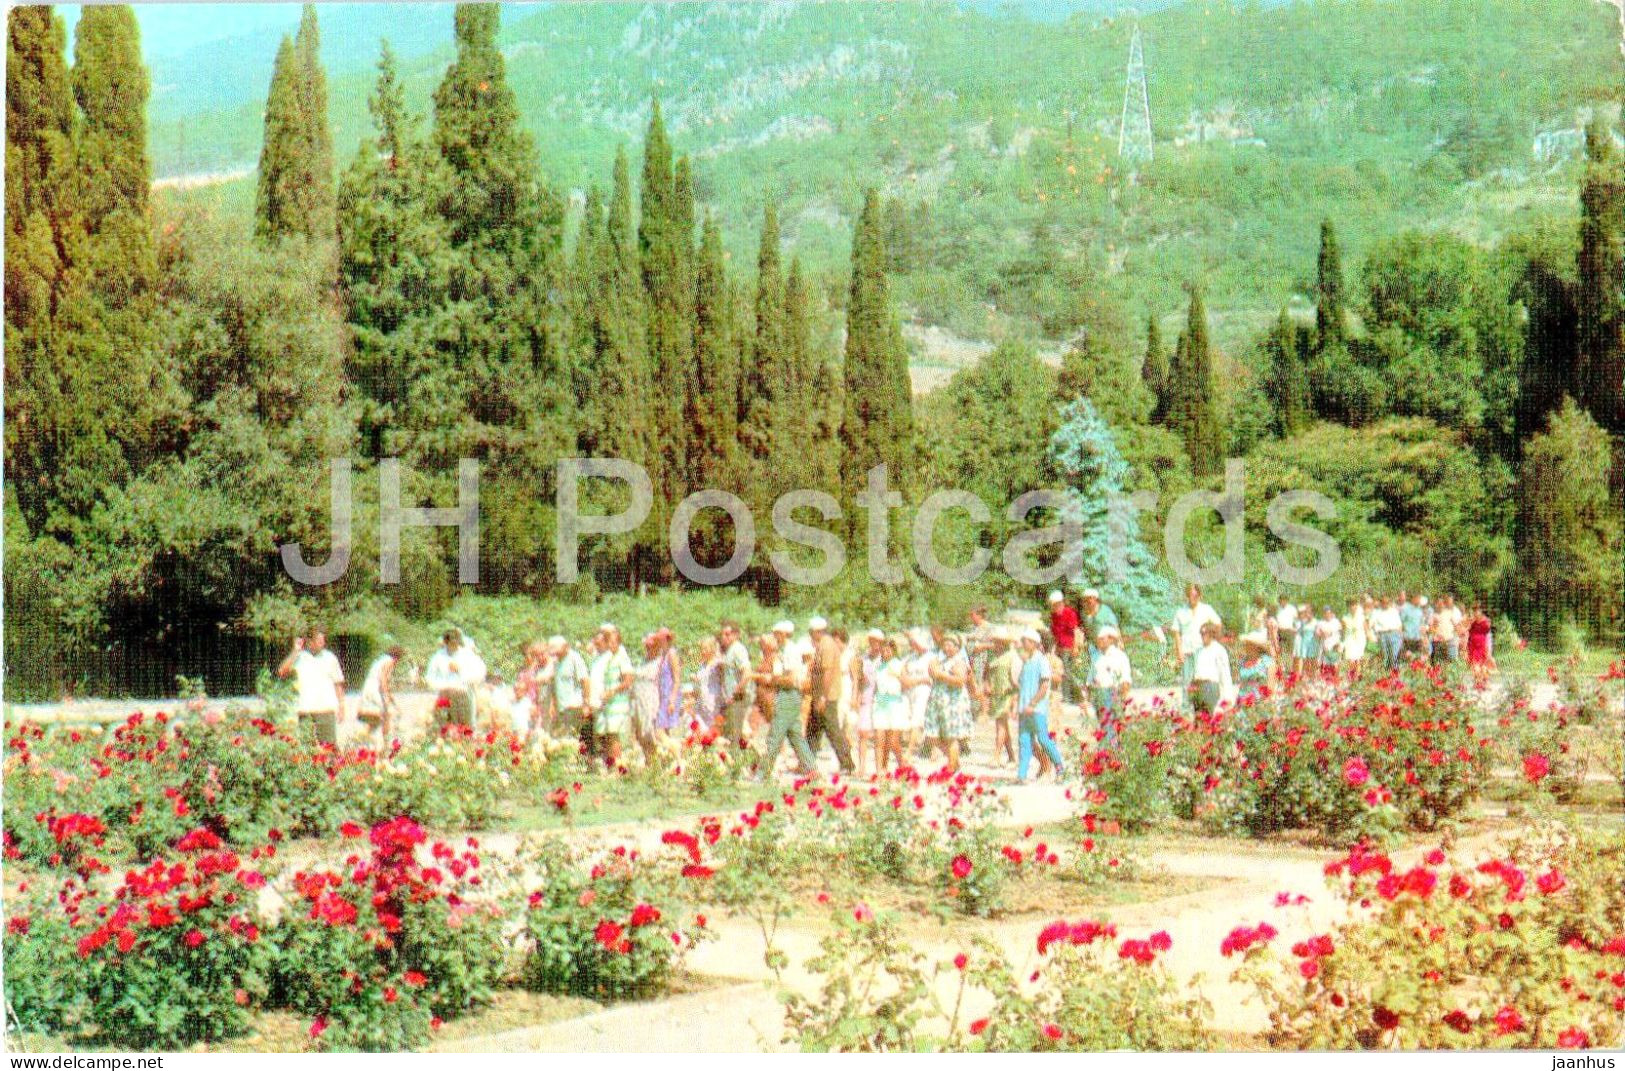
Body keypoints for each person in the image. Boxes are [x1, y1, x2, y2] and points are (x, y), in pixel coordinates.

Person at [753, 632, 817, 780]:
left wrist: (773, 680)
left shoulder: (790, 653)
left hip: (789, 695)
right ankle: (812, 768)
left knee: (775, 735)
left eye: (777, 636)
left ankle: (763, 773)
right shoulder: (783, 654)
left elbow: (791, 680)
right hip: (787, 695)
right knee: (795, 735)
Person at [278, 628, 346, 746]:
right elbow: (282, 672)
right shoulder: (300, 657)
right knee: (307, 749)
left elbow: (338, 683)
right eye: (319, 640)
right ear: (310, 642)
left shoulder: (330, 658)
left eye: (323, 640)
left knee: (328, 748)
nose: (322, 643)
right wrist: (295, 650)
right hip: (306, 710)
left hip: (326, 710)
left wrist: (341, 706)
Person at [805, 617, 856, 775]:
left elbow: (827, 673)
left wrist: (822, 697)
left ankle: (847, 764)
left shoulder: (826, 646)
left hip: (826, 696)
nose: (810, 635)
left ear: (818, 631)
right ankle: (808, 763)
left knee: (833, 730)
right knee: (813, 730)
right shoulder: (824, 645)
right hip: (821, 694)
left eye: (812, 632)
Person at [1015, 630, 1066, 784]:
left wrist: (1033, 703)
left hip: (1036, 709)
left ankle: (1060, 767)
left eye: (1026, 641)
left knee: (1043, 739)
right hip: (1024, 709)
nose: (1023, 644)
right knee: (1024, 741)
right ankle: (1022, 775)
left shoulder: (1041, 661)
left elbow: (1044, 685)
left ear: (1033, 643)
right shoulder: (1027, 662)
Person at [923, 633, 972, 772]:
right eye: (945, 644)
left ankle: (951, 768)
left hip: (953, 703)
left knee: (952, 737)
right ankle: (954, 762)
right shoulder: (940, 660)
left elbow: (960, 681)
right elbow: (932, 671)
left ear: (957, 647)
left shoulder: (960, 661)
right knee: (932, 736)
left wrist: (941, 675)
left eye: (950, 645)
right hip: (938, 702)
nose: (947, 647)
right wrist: (935, 672)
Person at [588, 625, 635, 769]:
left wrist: (613, 690)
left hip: (618, 702)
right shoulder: (610, 657)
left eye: (613, 642)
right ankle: (611, 764)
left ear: (618, 643)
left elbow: (628, 681)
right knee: (607, 733)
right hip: (608, 703)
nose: (610, 645)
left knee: (614, 734)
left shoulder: (622, 657)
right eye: (609, 642)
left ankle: (618, 766)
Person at [1172, 585, 1222, 707]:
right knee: (1187, 686)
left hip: (1204, 654)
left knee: (1203, 682)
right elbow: (1176, 633)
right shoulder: (1180, 612)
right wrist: (1179, 652)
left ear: (1199, 595)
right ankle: (1186, 715)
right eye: (1190, 594)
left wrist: (1212, 640)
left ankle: (1203, 710)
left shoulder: (1207, 609)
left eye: (1195, 595)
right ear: (1187, 595)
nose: (1192, 597)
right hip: (1187, 653)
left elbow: (1218, 625)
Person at [1087, 626, 1132, 749]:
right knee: (1103, 727)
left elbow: (1125, 679)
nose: (1099, 641)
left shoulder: (1120, 656)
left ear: (1111, 639)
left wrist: (1122, 699)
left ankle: (1110, 755)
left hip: (1113, 694)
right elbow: (1090, 678)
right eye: (1098, 639)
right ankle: (1109, 754)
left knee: (1111, 727)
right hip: (1099, 694)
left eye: (1102, 639)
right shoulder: (1096, 657)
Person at [425, 629, 476, 731]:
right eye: (450, 643)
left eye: (455, 643)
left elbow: (476, 674)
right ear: (446, 642)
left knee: (465, 728)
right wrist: (442, 686)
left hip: (463, 695)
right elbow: (430, 677)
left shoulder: (467, 655)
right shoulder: (438, 657)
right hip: (446, 694)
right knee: (445, 726)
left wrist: (460, 670)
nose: (453, 646)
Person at [872, 636, 909, 773]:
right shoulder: (878, 666)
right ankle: (880, 770)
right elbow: (876, 687)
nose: (885, 653)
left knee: (893, 741)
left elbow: (907, 684)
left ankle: (902, 765)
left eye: (888, 650)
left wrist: (897, 676)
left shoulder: (899, 664)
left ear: (893, 650)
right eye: (883, 650)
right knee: (879, 739)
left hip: (894, 704)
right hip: (880, 704)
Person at [357, 644, 405, 742]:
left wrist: (392, 699)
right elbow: (383, 679)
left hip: (368, 687)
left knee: (374, 717)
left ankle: (362, 739)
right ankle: (386, 742)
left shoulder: (381, 660)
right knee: (386, 714)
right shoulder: (389, 661)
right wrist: (386, 696)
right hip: (375, 688)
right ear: (397, 657)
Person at [988, 630, 1021, 767]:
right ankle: (1012, 756)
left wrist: (1015, 697)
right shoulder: (996, 656)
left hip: (1006, 694)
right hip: (996, 694)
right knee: (1003, 725)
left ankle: (996, 756)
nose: (996, 644)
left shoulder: (1012, 657)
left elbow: (1016, 678)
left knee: (1000, 725)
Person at [852, 629, 883, 777]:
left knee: (879, 735)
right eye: (871, 640)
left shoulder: (884, 659)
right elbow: (858, 680)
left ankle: (879, 768)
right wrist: (856, 696)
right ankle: (862, 765)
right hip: (866, 696)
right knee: (863, 733)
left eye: (876, 641)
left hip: (881, 698)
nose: (873, 644)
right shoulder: (863, 659)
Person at [719, 621, 755, 745]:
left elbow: (747, 674)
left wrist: (735, 693)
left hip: (739, 697)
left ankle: (753, 757)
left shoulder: (738, 649)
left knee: (741, 731)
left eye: (727, 634)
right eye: (723, 634)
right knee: (735, 732)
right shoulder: (729, 651)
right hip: (732, 698)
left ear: (736, 635)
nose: (724, 637)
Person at [549, 635, 589, 745]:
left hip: (574, 706)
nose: (556, 654)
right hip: (562, 708)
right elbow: (555, 684)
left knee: (570, 739)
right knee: (562, 739)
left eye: (558, 651)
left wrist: (586, 704)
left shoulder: (574, 658)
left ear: (565, 647)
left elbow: (585, 680)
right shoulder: (556, 662)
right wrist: (553, 705)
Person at [902, 629, 935, 756]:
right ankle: (925, 747)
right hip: (910, 690)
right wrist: (917, 680)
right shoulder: (910, 658)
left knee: (918, 718)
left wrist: (915, 681)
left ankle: (910, 750)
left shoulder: (931, 657)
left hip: (924, 691)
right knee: (908, 718)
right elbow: (904, 676)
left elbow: (931, 679)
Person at [511, 641, 552, 741]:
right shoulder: (526, 671)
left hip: (539, 703)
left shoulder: (542, 669)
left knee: (539, 729)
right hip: (529, 703)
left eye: (531, 655)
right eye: (526, 655)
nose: (528, 657)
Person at [1190, 622, 1233, 714]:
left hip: (1210, 686)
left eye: (1204, 633)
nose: (1202, 635)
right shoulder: (1199, 651)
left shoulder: (1219, 650)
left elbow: (1225, 674)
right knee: (1198, 719)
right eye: (1201, 633)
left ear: (1211, 634)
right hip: (1198, 687)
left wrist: (1228, 695)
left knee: (1210, 717)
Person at [1048, 591, 1082, 703]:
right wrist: (1054, 647)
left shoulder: (1069, 613)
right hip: (1060, 647)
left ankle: (1073, 696)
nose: (1053, 607)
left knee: (1067, 672)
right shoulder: (1054, 615)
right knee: (1061, 672)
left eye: (1054, 604)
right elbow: (1055, 633)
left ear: (1060, 603)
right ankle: (1067, 696)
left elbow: (1076, 631)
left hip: (1069, 646)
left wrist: (1076, 647)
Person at [651, 628, 682, 739]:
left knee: (660, 731)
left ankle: (676, 752)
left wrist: (672, 700)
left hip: (670, 696)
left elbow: (677, 678)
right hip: (663, 695)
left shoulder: (672, 654)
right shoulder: (663, 654)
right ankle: (669, 754)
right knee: (664, 730)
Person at [692, 635, 725, 731]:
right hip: (702, 699)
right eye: (701, 649)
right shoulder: (702, 665)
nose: (703, 651)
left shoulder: (717, 663)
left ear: (712, 649)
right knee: (700, 725)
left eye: (705, 649)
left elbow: (724, 669)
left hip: (713, 699)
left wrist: (718, 656)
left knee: (712, 726)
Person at [1236, 631, 1274, 702]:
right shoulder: (1242, 661)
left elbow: (1270, 688)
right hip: (1242, 700)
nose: (1246, 646)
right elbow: (1238, 682)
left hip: (1259, 702)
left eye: (1249, 644)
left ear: (1257, 646)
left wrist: (1266, 702)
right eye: (1246, 643)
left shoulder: (1267, 662)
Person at [1466, 605, 1495, 689]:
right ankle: (1477, 682)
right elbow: (1466, 631)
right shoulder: (1472, 623)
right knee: (1475, 666)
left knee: (1484, 666)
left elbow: (1488, 636)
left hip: (1483, 647)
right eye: (1474, 612)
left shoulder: (1486, 622)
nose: (1475, 613)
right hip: (1473, 647)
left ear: (1481, 613)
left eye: (1477, 611)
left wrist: (1488, 649)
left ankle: (1486, 682)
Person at [1371, 595, 1403, 669]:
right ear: (1381, 602)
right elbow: (1371, 625)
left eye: (1387, 602)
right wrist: (1374, 636)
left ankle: (1394, 675)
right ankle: (1384, 675)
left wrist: (1401, 637)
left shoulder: (1394, 611)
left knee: (1394, 656)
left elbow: (1399, 625)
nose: (1385, 604)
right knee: (1385, 657)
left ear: (1389, 602)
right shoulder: (1376, 612)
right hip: (1383, 635)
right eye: (1383, 602)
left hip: (1394, 634)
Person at [1430, 595, 1462, 666]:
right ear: (1436, 604)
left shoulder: (1449, 612)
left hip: (1449, 640)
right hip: (1438, 641)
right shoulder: (1434, 615)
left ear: (1444, 604)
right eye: (1438, 603)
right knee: (1438, 663)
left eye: (1441, 603)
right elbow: (1431, 628)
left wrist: (1457, 637)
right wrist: (1435, 634)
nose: (1440, 605)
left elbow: (1456, 626)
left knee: (1451, 661)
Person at [1341, 598, 1368, 679]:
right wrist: (1341, 644)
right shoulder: (1345, 618)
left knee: (1358, 660)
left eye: (1354, 605)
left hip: (1360, 639)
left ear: (1357, 606)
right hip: (1349, 640)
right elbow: (1343, 631)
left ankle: (1357, 678)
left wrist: (1370, 639)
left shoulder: (1362, 617)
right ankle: (1351, 678)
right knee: (1351, 661)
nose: (1353, 607)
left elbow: (1366, 629)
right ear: (1348, 607)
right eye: (1351, 606)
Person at [1314, 605, 1342, 675]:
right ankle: (1325, 683)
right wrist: (1322, 634)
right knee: (1324, 667)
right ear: (1323, 614)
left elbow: (1341, 631)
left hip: (1334, 647)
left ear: (1331, 613)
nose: (1327, 615)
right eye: (1325, 613)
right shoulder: (1320, 623)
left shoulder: (1336, 621)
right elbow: (1316, 634)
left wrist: (1331, 633)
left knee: (1335, 666)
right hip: (1324, 647)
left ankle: (1335, 682)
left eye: (1329, 613)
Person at [1399, 593, 1427, 661]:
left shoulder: (1420, 611)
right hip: (1407, 638)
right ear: (1413, 599)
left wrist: (1424, 637)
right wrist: (1400, 635)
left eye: (1420, 599)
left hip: (1417, 638)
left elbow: (1422, 624)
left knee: (1418, 659)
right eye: (1418, 599)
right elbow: (1400, 623)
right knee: (1407, 658)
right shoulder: (1405, 609)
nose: (1419, 601)